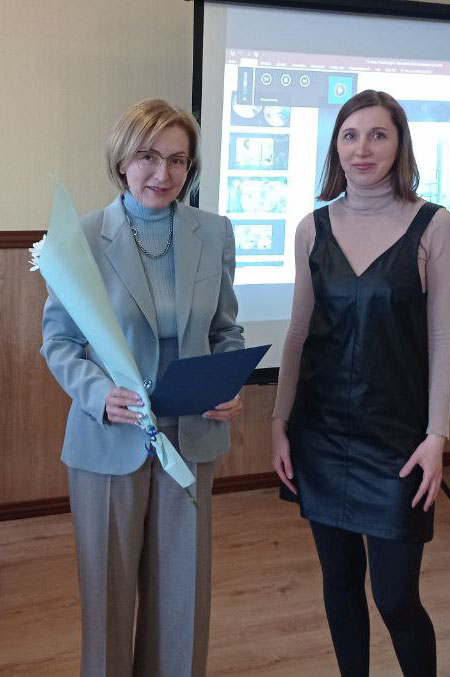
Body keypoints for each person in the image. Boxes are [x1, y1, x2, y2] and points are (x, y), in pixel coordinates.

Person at [41, 98, 244, 677]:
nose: (163, 173)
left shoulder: (214, 232)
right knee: (106, 594)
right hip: (110, 438)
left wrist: (229, 378)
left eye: (179, 160)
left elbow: (226, 329)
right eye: (149, 157)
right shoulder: (79, 236)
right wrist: (98, 396)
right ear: (122, 160)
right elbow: (59, 342)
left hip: (191, 436)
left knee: (181, 593)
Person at [271, 90, 450, 676]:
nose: (362, 148)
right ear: (335, 147)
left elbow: (443, 339)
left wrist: (437, 436)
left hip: (399, 443)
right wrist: (278, 423)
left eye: (378, 134)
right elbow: (298, 335)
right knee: (340, 584)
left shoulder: (434, 224)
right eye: (350, 135)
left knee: (396, 598)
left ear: (400, 143)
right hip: (320, 436)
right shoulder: (312, 228)